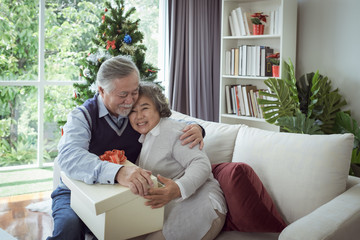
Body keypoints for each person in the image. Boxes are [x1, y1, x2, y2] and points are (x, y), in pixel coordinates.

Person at [48, 56, 204, 240]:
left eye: (135, 91)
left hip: (120, 196)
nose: (130, 101)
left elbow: (170, 123)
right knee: (68, 227)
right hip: (75, 192)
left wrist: (197, 128)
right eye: (123, 94)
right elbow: (69, 156)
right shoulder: (82, 116)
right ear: (101, 90)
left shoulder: (138, 114)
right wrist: (118, 172)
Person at [128, 82, 227, 240]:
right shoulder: (146, 136)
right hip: (173, 203)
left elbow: (201, 164)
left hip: (203, 202)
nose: (138, 116)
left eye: (144, 108)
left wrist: (178, 188)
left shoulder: (173, 130)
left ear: (158, 108)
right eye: (133, 111)